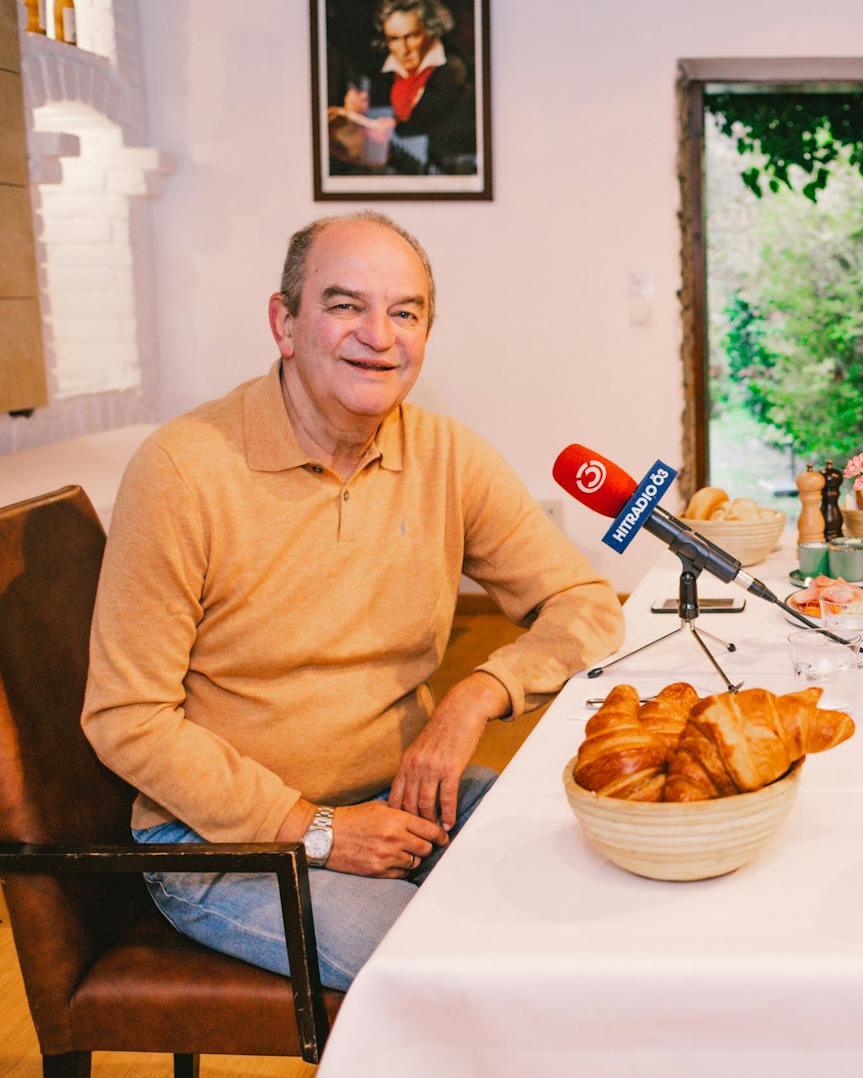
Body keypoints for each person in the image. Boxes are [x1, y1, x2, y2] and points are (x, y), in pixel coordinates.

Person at [81, 211, 625, 990]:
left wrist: (476, 695)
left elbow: (585, 603)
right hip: (225, 842)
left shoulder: (447, 455)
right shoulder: (181, 470)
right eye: (344, 305)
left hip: (402, 798)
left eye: (405, 312)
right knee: (453, 973)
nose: (379, 334)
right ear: (285, 322)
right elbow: (125, 716)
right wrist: (317, 831)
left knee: (601, 881)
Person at [372, 0, 478, 174]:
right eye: (394, 39)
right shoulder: (381, 78)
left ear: (432, 31)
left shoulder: (457, 74)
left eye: (413, 36)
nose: (404, 49)